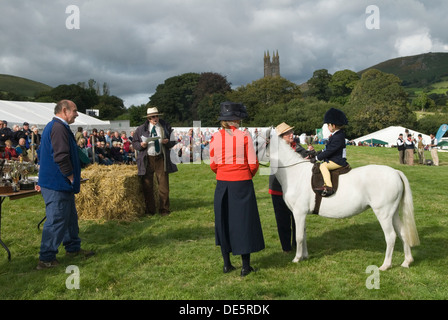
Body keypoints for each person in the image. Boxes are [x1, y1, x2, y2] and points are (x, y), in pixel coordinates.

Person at [36, 100, 94, 270]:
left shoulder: (57, 127)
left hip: (58, 182)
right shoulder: (58, 128)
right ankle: (46, 259)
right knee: (56, 220)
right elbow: (61, 156)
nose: (77, 114)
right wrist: (70, 177)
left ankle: (73, 248)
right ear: (64, 110)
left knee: (69, 218)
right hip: (57, 183)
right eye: (75, 111)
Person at [209, 101, 264, 277]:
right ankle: (245, 266)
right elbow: (253, 163)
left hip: (222, 182)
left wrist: (224, 172)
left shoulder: (215, 137)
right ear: (235, 120)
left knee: (223, 221)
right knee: (243, 223)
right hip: (241, 181)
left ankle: (227, 264)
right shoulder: (244, 136)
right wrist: (245, 175)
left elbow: (213, 164)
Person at [132, 106, 178, 216]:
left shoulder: (165, 126)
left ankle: (164, 210)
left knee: (163, 186)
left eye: (157, 116)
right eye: (153, 117)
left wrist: (167, 142)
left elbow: (173, 141)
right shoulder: (141, 129)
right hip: (147, 159)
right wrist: (141, 145)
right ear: (148, 118)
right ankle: (150, 210)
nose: (155, 118)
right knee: (147, 186)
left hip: (160, 158)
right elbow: (135, 143)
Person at [314, 108, 348, 197]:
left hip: (338, 161)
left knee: (323, 166)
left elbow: (330, 151)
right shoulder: (336, 135)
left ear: (333, 125)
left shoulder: (338, 137)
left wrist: (317, 158)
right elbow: (328, 148)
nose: (327, 127)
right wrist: (318, 152)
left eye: (328, 125)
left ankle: (329, 187)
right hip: (335, 158)